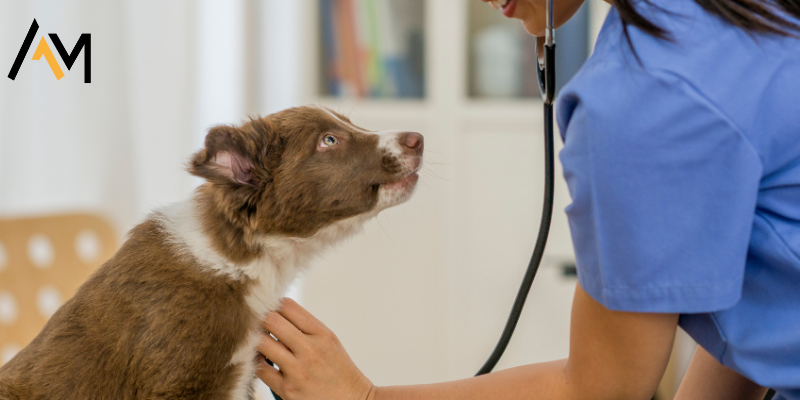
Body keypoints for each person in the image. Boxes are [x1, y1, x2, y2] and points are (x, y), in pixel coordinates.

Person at [255, 0, 800, 398]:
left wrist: (365, 398)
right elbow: (766, 299)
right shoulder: (724, 20)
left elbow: (599, 391)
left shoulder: (643, 100)